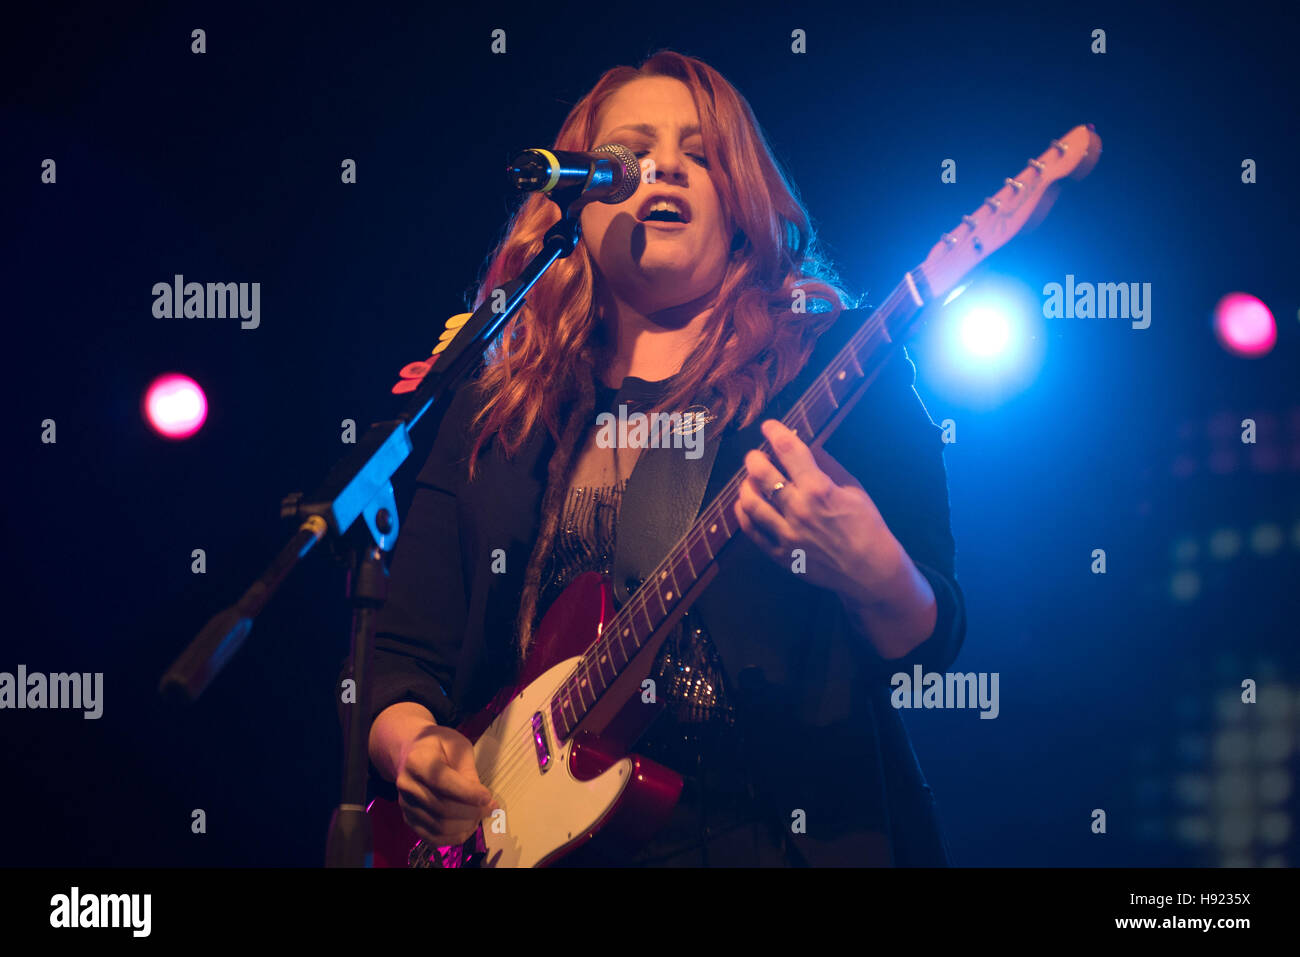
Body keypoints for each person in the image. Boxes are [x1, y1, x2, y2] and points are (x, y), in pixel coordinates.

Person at [343, 49, 966, 867]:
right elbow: (403, 660)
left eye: (700, 155)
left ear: (742, 200)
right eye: (629, 154)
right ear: (577, 197)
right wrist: (415, 750)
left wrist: (874, 568)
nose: (664, 166)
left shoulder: (835, 366)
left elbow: (933, 641)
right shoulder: (498, 406)